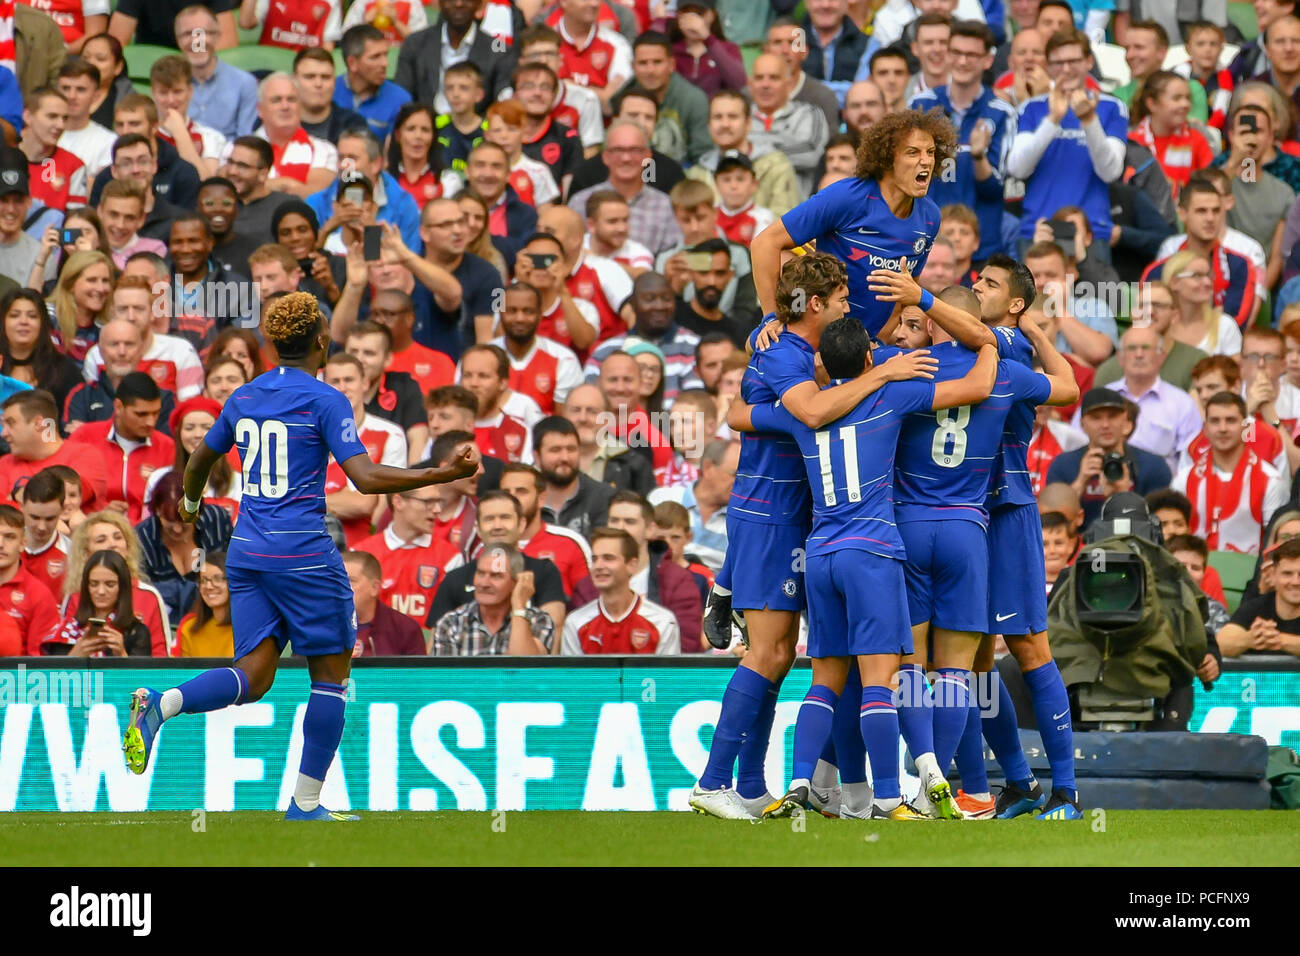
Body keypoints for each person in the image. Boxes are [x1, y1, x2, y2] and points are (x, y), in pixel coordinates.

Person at [119, 290, 480, 821]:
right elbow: (365, 477)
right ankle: (305, 805)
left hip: (246, 552)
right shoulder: (324, 398)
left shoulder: (243, 396)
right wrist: (439, 473)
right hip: (305, 554)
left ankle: (162, 703)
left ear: (269, 344)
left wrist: (192, 506)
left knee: (255, 675)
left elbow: (198, 460)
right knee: (331, 678)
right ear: (321, 342)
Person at [691, 254, 939, 820]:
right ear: (817, 304)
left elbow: (743, 412)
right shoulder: (784, 353)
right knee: (769, 652)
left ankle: (751, 785)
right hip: (769, 517)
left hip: (802, 521)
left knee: (780, 659)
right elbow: (807, 411)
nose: (853, 306)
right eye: (845, 298)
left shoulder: (791, 348)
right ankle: (711, 781)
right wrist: (882, 374)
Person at [732, 305, 997, 821]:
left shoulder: (801, 410)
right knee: (882, 681)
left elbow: (738, 416)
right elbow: (975, 389)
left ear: (823, 367)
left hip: (821, 555)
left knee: (824, 681)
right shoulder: (891, 393)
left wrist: (760, 350)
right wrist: (989, 344)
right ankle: (888, 798)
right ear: (873, 355)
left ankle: (801, 783)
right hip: (872, 552)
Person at [964, 253, 1083, 820]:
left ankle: (1066, 791)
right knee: (975, 658)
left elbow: (1067, 389)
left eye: (988, 284)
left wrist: (1033, 328)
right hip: (960, 515)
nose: (975, 287)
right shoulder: (965, 341)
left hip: (1006, 509)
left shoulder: (1006, 345)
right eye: (975, 279)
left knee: (1031, 646)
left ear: (1014, 304)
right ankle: (1017, 780)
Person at [750, 109, 953, 338]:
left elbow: (905, 294)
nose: (926, 160)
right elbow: (764, 243)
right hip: (819, 341)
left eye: (931, 152)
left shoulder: (930, 217)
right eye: (913, 152)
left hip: (867, 349)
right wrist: (772, 319)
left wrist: (876, 343)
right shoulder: (846, 197)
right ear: (888, 159)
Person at [1007, 29, 1126, 262]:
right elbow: (1017, 169)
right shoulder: (1031, 108)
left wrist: (1089, 121)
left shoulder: (1112, 106)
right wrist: (1052, 120)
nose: (1066, 69)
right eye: (1058, 63)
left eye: (1074, 61)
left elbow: (1111, 172)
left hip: (1091, 231)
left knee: (1095, 299)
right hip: (1039, 229)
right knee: (1035, 300)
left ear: (1089, 62)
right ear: (1048, 66)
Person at [425, 488, 567, 630]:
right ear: (478, 529)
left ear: (521, 524)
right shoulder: (455, 579)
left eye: (505, 517)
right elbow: (436, 641)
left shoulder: (545, 572)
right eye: (489, 519)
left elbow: (553, 634)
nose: (497, 526)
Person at [1172, 391, 1290, 555]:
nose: (1223, 428)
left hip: (1248, 575)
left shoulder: (1270, 481)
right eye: (1215, 421)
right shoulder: (1184, 479)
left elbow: (1276, 541)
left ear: (1246, 427)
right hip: (1194, 573)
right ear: (1205, 428)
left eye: (1231, 420)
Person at [1046, 387, 1173, 527]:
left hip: (1135, 544)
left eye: (1112, 416)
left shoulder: (1153, 466)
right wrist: (1080, 482)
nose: (1105, 425)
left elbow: (1161, 523)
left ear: (1126, 422)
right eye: (1096, 418)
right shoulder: (1063, 465)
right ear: (1082, 424)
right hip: (1080, 545)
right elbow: (1052, 523)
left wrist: (1124, 495)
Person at [66, 371, 176, 523]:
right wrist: (100, 511)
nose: (150, 422)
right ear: (118, 407)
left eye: (156, 413)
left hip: (147, 535)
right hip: (90, 527)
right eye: (141, 414)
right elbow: (63, 490)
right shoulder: (85, 437)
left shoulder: (167, 447)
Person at [355, 482, 463, 626]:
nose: (437, 510)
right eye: (428, 502)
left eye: (438, 502)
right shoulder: (361, 555)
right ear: (398, 501)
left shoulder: (451, 558)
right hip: (376, 645)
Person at [561, 526, 681, 655]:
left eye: (608, 558)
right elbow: (574, 675)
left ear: (632, 565)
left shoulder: (662, 621)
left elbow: (665, 675)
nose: (599, 566)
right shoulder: (575, 622)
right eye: (595, 559)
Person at [135, 470, 232, 628]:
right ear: (157, 510)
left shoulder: (217, 521)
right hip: (165, 623)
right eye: (169, 521)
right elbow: (144, 594)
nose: (178, 529)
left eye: (185, 521)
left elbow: (235, 572)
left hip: (221, 616)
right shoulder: (142, 539)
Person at [430, 543, 553, 655]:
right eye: (480, 573)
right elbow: (448, 678)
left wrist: (519, 607)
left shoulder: (539, 620)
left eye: (496, 576)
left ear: (516, 582)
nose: (484, 583)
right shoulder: (450, 623)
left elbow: (526, 671)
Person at [395, 0, 516, 111]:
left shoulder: (499, 49)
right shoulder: (415, 43)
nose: (458, 3)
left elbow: (502, 101)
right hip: (425, 129)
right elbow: (402, 95)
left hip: (478, 130)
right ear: (440, 3)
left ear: (479, 4)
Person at [62, 319, 177, 436]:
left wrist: (90, 433)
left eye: (129, 344)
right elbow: (74, 448)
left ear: (141, 350)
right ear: (100, 351)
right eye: (114, 344)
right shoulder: (82, 395)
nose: (122, 352)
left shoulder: (163, 398)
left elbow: (162, 449)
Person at [0, 389, 108, 510]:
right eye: (3, 426)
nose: (3, 434)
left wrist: (16, 497)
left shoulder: (86, 455)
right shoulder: (4, 463)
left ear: (39, 424)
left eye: (11, 423)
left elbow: (65, 498)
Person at [491, 282, 583, 416]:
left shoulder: (563, 359)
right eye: (512, 311)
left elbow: (566, 422)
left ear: (540, 315)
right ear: (500, 313)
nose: (520, 318)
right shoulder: (479, 358)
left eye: (528, 311)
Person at [45, 548, 154, 656]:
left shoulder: (137, 632)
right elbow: (54, 672)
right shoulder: (67, 631)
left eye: (110, 584)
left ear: (122, 587)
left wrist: (121, 654)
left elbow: (139, 673)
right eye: (94, 584)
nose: (101, 591)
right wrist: (75, 655)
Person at [0, 289, 83, 419]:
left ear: (43, 323)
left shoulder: (64, 369)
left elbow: (74, 420)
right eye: (14, 315)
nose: (23, 321)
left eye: (32, 316)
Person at [255, 72, 339, 199]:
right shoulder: (237, 148)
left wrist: (261, 185)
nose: (285, 106)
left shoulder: (325, 150)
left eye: (291, 99)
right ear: (260, 110)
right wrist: (286, 184)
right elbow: (235, 190)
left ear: (300, 106)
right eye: (276, 100)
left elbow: (315, 196)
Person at [1216, 537, 1300, 658]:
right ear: (1274, 575)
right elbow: (1220, 643)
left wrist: (1279, 640)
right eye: (1287, 574)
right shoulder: (1255, 607)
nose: (1295, 581)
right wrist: (1249, 639)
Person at [0, 502, 61, 655]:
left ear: (23, 543)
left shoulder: (39, 595)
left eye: (9, 537)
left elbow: (39, 664)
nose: (0, 544)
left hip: (17, 677)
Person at [342, 549, 427, 656]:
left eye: (350, 580)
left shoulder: (405, 629)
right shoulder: (320, 625)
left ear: (375, 588)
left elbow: (416, 672)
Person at [20, 467, 70, 598]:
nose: (41, 527)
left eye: (50, 519)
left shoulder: (72, 554)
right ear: (22, 507)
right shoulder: (5, 546)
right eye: (34, 517)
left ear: (62, 510)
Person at [175, 549, 233, 657]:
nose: (209, 586)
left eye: (218, 579)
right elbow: (179, 672)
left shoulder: (249, 628)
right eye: (204, 580)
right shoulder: (189, 628)